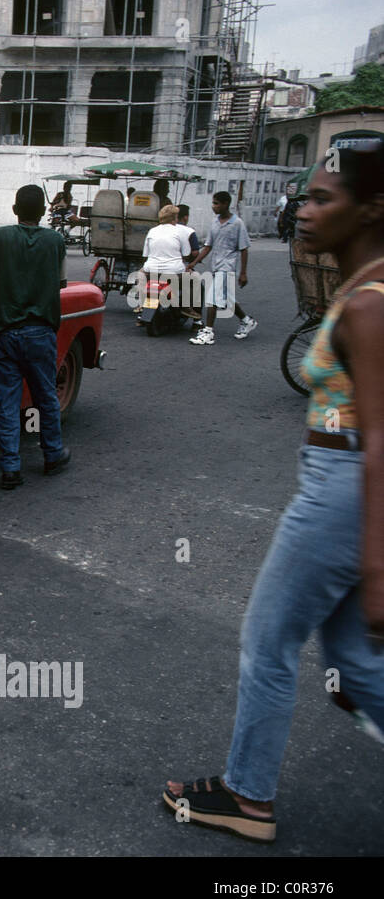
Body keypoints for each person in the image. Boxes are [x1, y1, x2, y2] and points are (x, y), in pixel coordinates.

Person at [163, 144, 384, 842]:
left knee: (268, 640)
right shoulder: (362, 289)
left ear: (371, 209)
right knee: (356, 660)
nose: (304, 211)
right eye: (307, 197)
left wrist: (376, 561)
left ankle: (247, 795)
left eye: (324, 199)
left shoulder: (367, 308)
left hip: (343, 490)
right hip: (343, 484)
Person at [0, 184, 70, 490]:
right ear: (43, 212)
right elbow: (61, 283)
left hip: (6, 333)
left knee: (7, 402)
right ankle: (52, 455)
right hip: (41, 333)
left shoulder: (1, 237)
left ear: (14, 210)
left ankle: (10, 467)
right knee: (46, 397)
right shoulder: (55, 241)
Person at [187, 190, 255, 344]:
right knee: (226, 299)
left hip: (227, 266)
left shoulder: (237, 223)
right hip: (216, 266)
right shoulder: (215, 223)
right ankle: (246, 320)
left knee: (212, 298)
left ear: (226, 204)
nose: (213, 206)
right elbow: (207, 247)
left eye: (216, 203)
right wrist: (193, 262)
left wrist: (243, 273)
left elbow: (244, 248)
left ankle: (208, 332)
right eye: (213, 203)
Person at [138, 205, 191, 324]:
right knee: (192, 278)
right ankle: (188, 308)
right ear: (174, 218)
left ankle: (142, 303)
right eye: (176, 217)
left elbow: (145, 254)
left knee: (140, 274)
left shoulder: (152, 231)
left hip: (151, 271)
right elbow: (187, 253)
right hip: (174, 271)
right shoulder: (180, 231)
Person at [175, 204, 203, 321]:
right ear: (185, 217)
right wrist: (191, 262)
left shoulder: (159, 229)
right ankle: (196, 320)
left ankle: (142, 306)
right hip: (177, 269)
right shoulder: (189, 231)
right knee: (197, 283)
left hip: (154, 268)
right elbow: (195, 253)